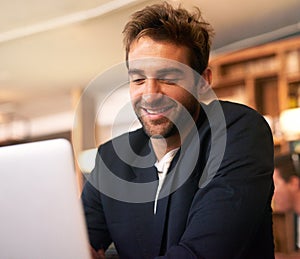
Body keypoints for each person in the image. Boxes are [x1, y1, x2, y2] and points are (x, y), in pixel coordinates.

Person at [81, 2, 275, 258]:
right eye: (138, 79)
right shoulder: (111, 160)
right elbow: (74, 243)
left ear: (203, 82)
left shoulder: (237, 132)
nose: (150, 94)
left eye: (168, 78)